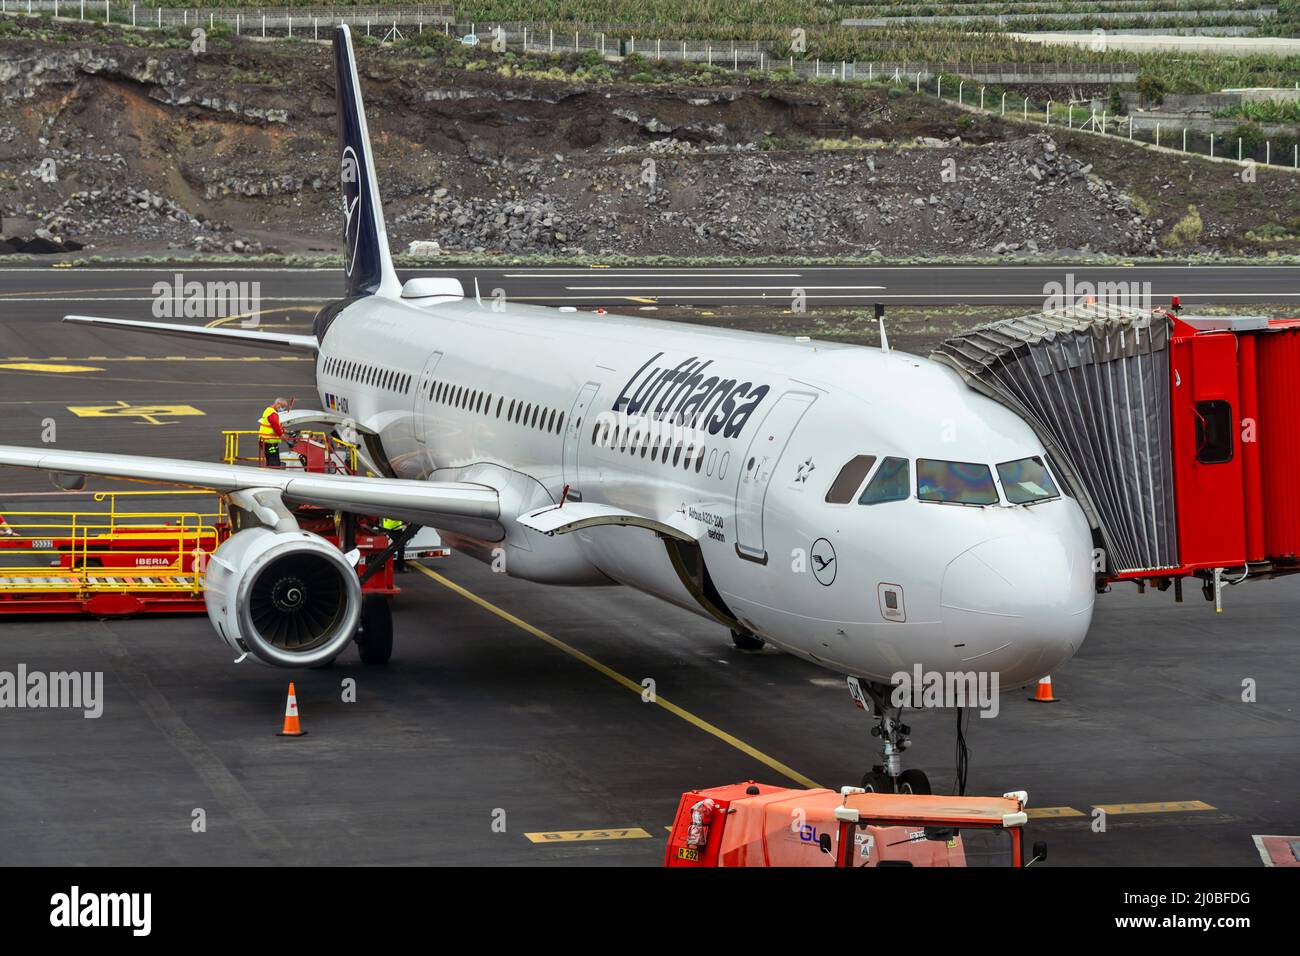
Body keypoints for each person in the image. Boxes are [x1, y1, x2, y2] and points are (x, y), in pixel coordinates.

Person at [258, 397, 290, 467]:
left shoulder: (268, 411)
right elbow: (275, 425)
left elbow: (273, 425)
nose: (282, 409)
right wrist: (282, 435)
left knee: (270, 460)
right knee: (274, 462)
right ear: (277, 404)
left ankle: (270, 470)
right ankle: (273, 474)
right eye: (282, 407)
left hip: (265, 440)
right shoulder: (273, 413)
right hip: (270, 442)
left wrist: (285, 431)